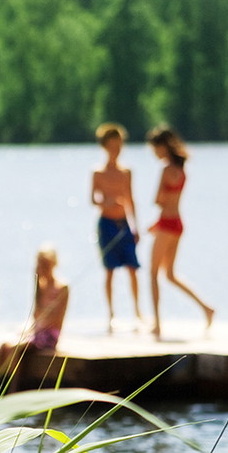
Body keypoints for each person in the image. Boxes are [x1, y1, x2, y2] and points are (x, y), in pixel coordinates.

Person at [0, 246, 69, 403]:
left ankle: (12, 393)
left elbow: (56, 318)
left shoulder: (62, 287)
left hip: (50, 335)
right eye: (39, 263)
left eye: (44, 264)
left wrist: (40, 323)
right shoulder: (41, 286)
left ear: (53, 264)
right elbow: (35, 315)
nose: (41, 267)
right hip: (37, 331)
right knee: (3, 346)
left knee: (14, 348)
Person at [147, 126, 215, 340]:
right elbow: (173, 201)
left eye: (155, 149)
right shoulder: (182, 170)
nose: (154, 153)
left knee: (153, 273)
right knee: (170, 275)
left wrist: (158, 220)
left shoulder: (166, 169)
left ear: (163, 147)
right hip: (176, 223)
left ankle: (157, 324)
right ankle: (206, 308)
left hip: (167, 223)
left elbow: (159, 200)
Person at [91, 122, 143, 333]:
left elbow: (132, 199)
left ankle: (138, 312)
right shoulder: (98, 172)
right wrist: (106, 203)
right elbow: (93, 199)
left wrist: (136, 226)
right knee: (110, 270)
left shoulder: (127, 171)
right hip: (106, 224)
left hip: (124, 225)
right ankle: (111, 314)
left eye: (120, 145)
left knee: (132, 268)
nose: (117, 149)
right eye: (113, 145)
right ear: (105, 146)